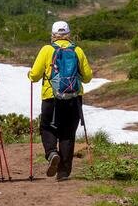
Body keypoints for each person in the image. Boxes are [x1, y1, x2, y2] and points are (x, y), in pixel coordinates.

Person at [27, 20, 93, 181]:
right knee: (68, 133)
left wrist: (30, 75)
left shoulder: (47, 50)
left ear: (53, 35)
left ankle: (51, 153)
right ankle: (63, 172)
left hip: (51, 97)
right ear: (68, 34)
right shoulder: (77, 50)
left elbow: (35, 76)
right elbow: (87, 77)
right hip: (73, 98)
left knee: (47, 127)